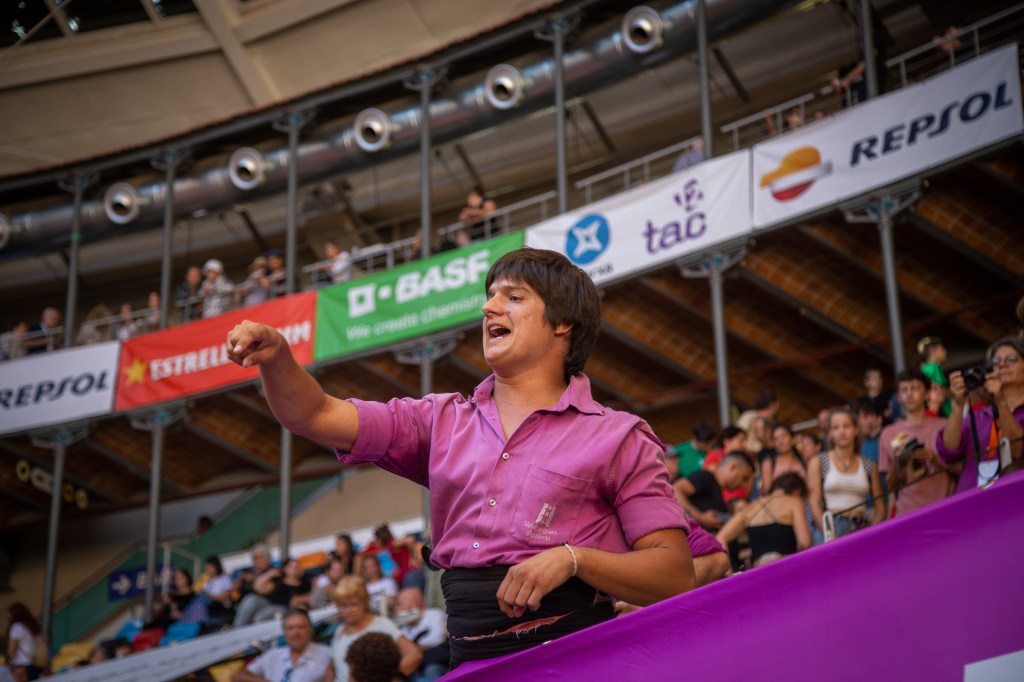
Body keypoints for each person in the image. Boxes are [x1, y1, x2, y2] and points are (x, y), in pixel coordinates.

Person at [226, 247, 694, 667]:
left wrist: (573, 560)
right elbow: (315, 414)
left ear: (562, 322)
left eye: (513, 297)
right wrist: (278, 357)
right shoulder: (438, 419)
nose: (489, 307)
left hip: (580, 662)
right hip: (468, 661)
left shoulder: (620, 436)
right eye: (490, 297)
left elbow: (674, 576)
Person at [936, 337, 1024, 493]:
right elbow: (949, 450)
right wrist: (958, 404)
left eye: (1011, 358)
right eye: (996, 361)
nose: (1002, 364)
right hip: (975, 500)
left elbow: (1018, 451)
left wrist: (1000, 402)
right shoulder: (979, 416)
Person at [807, 407, 887, 544]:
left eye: (846, 426)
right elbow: (814, 502)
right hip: (831, 524)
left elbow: (880, 506)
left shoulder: (869, 465)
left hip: (861, 526)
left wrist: (871, 530)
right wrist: (828, 533)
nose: (841, 431)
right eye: (835, 427)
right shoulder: (818, 461)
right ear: (829, 433)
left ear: (856, 430)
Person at [879, 369, 952, 517]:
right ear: (898, 397)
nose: (909, 394)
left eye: (915, 388)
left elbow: (962, 469)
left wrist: (935, 459)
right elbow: (889, 487)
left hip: (945, 507)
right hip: (907, 512)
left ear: (927, 393)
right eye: (903, 390)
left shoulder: (945, 425)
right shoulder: (888, 433)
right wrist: (898, 459)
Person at [330, 577, 421, 682]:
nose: (348, 610)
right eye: (343, 605)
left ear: (364, 602)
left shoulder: (381, 624)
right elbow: (332, 667)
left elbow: (414, 654)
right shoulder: (340, 630)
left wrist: (389, 677)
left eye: (353, 604)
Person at [716, 473, 811, 567]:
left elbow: (721, 538)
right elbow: (805, 542)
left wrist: (729, 573)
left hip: (760, 571)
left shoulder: (750, 508)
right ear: (797, 491)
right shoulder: (794, 502)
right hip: (788, 566)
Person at [232, 609, 334, 682]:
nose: (295, 633)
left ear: (310, 630)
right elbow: (239, 676)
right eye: (290, 628)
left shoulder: (327, 654)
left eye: (301, 627)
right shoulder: (273, 654)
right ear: (284, 632)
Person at [674, 452, 755, 531]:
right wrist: (699, 517)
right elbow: (675, 489)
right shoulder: (707, 477)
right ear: (733, 467)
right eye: (744, 478)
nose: (744, 485)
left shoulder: (716, 487)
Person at [393, 588, 449, 682]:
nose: (396, 608)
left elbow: (438, 638)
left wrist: (412, 648)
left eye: (400, 604)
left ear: (414, 603)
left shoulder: (434, 615)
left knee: (431, 670)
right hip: (415, 666)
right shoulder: (403, 626)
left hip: (436, 661)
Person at [236, 558, 311, 626]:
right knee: (251, 599)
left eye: (297, 566)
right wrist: (271, 573)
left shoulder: (304, 584)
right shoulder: (278, 581)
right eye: (291, 566)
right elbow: (257, 587)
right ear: (285, 569)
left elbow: (301, 600)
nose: (295, 569)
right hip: (267, 604)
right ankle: (237, 628)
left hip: (283, 609)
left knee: (261, 616)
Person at [759, 423, 806, 494]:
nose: (780, 442)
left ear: (792, 439)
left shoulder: (803, 460)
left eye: (783, 437)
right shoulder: (769, 463)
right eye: (776, 439)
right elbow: (767, 492)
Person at [6, 602, 43, 680]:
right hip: (34, 665)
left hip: (21, 667)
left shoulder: (16, 627)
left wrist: (7, 662)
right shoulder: (32, 627)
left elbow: (11, 650)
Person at [918, 336, 952, 417]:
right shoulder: (934, 368)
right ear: (934, 350)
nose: (945, 351)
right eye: (942, 349)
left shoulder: (926, 368)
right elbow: (941, 390)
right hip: (942, 411)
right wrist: (954, 393)